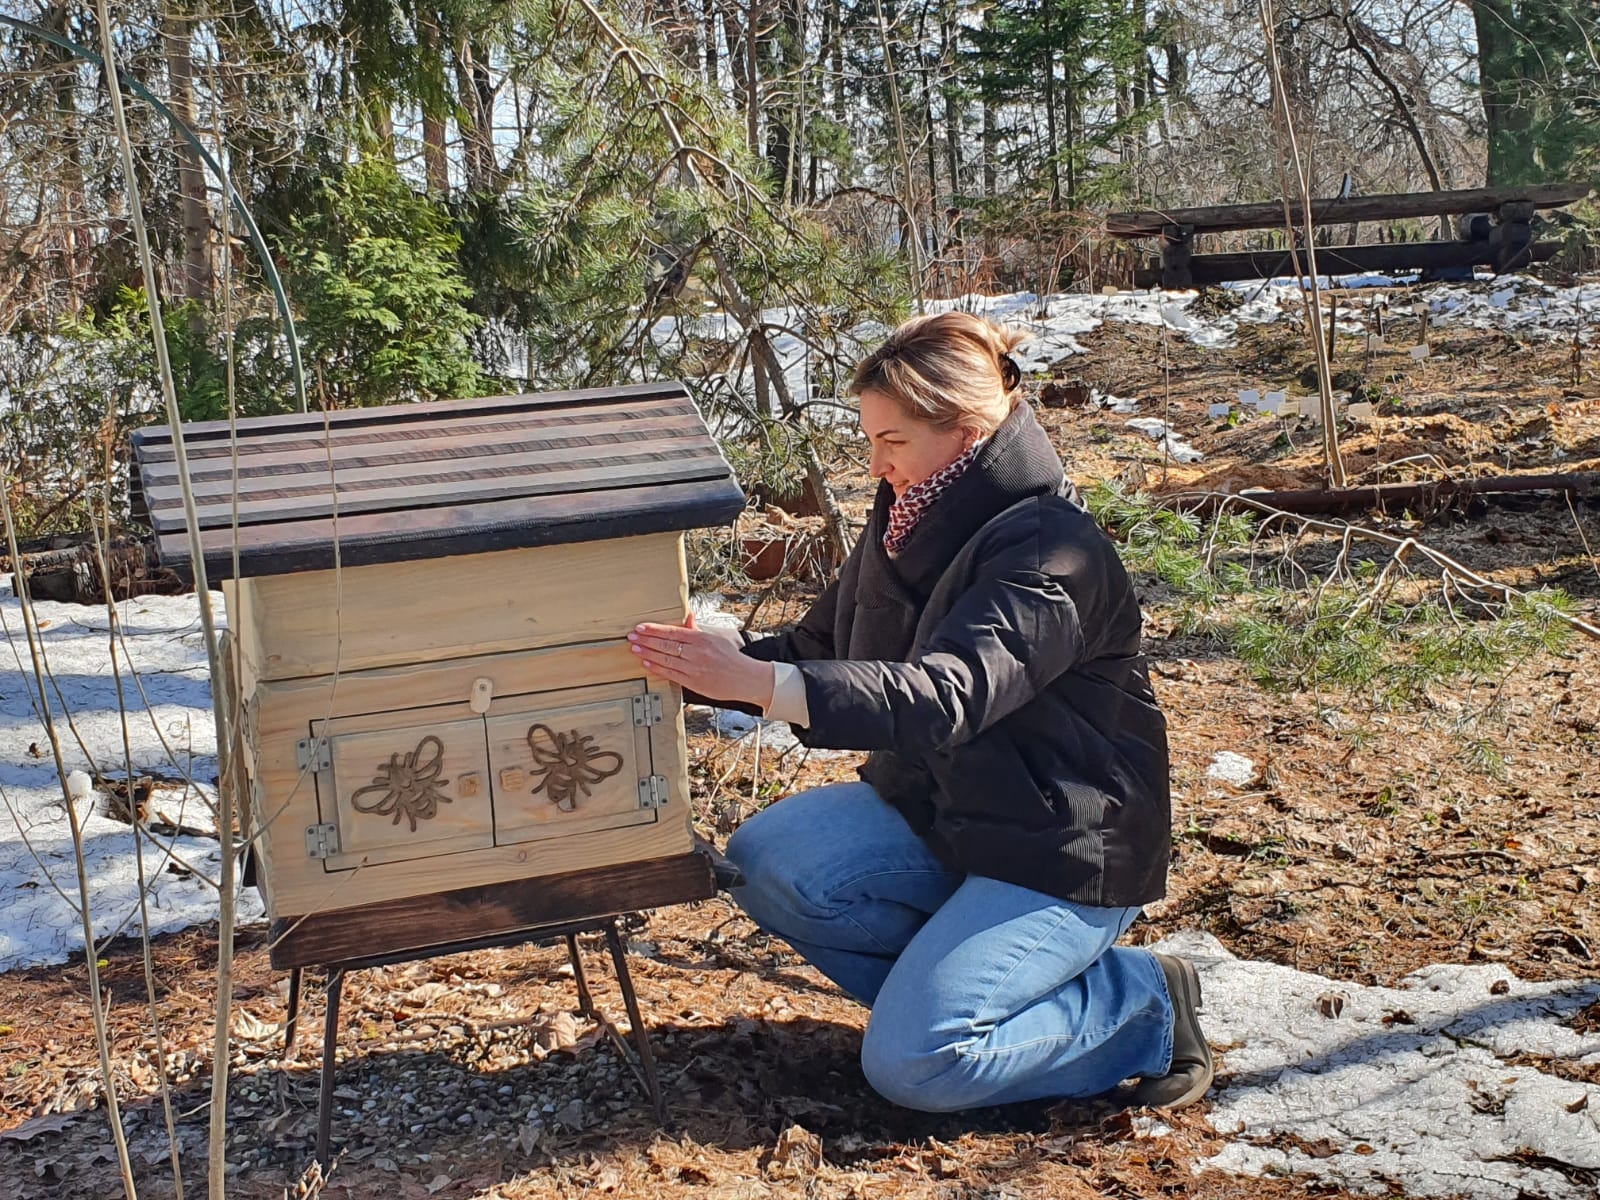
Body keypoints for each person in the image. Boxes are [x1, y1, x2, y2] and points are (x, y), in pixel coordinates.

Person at [629, 311, 1210, 1113]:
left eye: (892, 441)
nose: (876, 464)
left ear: (964, 431)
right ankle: (956, 998)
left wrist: (758, 685)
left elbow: (947, 695)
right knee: (768, 861)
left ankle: (1141, 1006)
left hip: (1062, 847)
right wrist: (700, 666)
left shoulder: (1050, 551)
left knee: (918, 1067)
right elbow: (817, 645)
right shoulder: (908, 518)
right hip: (947, 814)